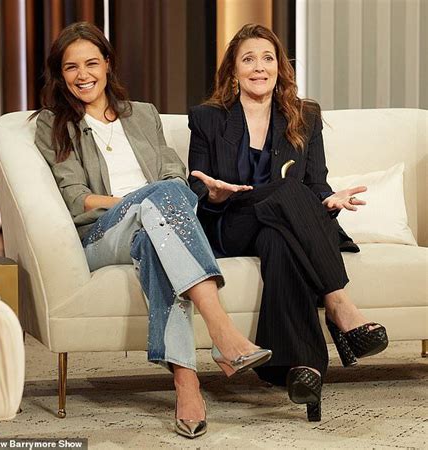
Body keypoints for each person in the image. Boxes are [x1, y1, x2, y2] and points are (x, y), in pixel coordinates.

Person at [32, 22, 271, 439]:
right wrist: (139, 201)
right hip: (102, 234)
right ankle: (222, 332)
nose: (82, 74)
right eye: (71, 67)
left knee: (156, 233)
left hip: (152, 226)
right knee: (157, 201)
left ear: (107, 65)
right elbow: (77, 199)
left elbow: (174, 173)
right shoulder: (54, 124)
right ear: (60, 73)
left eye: (92, 63)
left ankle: (186, 382)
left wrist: (152, 202)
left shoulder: (142, 114)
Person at [188, 23, 388, 422]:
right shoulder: (208, 118)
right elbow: (197, 190)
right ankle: (338, 303)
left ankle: (302, 370)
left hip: (278, 226)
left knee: (281, 237)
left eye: (267, 58)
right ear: (234, 70)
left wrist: (327, 201)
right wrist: (212, 195)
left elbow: (315, 183)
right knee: (285, 190)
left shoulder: (305, 115)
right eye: (248, 59)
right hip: (231, 223)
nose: (259, 67)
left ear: (280, 66)